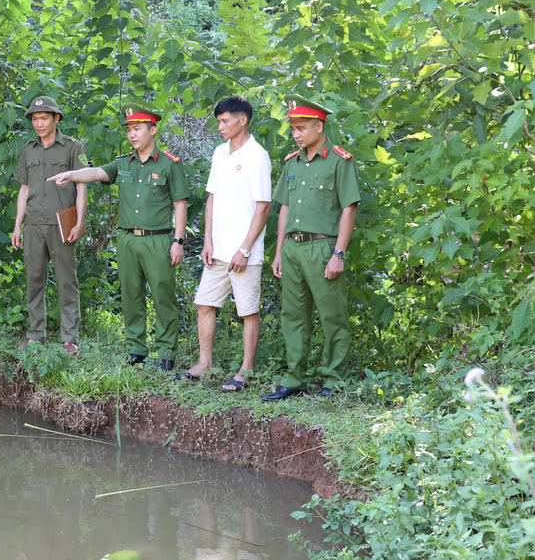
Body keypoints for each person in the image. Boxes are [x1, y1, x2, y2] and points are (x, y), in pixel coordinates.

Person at [47, 103, 188, 370]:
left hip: (158, 240)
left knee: (163, 296)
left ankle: (166, 353)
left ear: (153, 130)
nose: (132, 135)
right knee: (131, 295)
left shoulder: (169, 164)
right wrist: (71, 174)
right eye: (129, 130)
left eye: (137, 129)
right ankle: (137, 350)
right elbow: (97, 172)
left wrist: (178, 241)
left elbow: (180, 204)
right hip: (127, 240)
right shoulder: (123, 163)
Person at [263, 96, 360, 402]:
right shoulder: (292, 162)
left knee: (332, 316)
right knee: (292, 315)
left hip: (322, 248)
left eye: (301, 128)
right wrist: (279, 252)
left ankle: (333, 379)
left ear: (319, 126)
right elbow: (285, 209)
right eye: (293, 128)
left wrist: (338, 254)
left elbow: (349, 208)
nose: (296, 134)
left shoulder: (339, 160)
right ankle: (294, 379)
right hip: (292, 248)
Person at [177, 96, 271, 391]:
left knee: (248, 311)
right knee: (204, 303)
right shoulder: (219, 153)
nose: (220, 127)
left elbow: (263, 206)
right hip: (217, 250)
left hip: (245, 252)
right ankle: (204, 363)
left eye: (225, 121)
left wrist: (245, 249)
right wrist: (208, 241)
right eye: (218, 121)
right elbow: (212, 198)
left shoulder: (257, 155)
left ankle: (246, 371)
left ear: (243, 120)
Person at [11, 95, 87, 354]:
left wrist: (79, 222)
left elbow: (82, 187)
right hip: (33, 223)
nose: (39, 124)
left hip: (61, 223)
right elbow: (24, 189)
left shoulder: (72, 147)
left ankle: (70, 339)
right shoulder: (28, 149)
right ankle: (35, 335)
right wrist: (17, 225)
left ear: (56, 118)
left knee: (67, 280)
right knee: (34, 279)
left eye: (44, 118)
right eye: (35, 119)